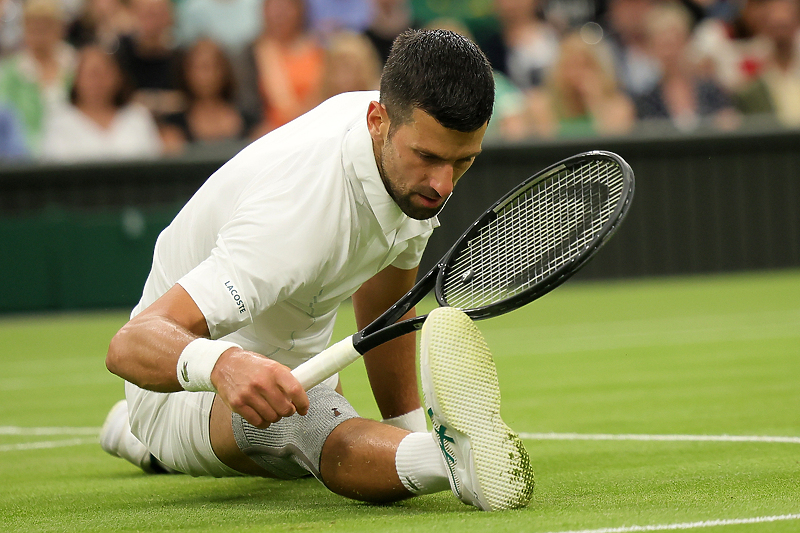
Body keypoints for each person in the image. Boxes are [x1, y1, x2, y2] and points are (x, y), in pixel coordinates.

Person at [99, 28, 534, 512]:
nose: (442, 184)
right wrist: (225, 364)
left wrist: (405, 427)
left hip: (295, 358)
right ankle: (453, 466)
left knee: (320, 426)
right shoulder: (293, 213)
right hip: (179, 389)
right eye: (429, 158)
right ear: (377, 120)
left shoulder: (409, 147)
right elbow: (129, 344)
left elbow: (386, 304)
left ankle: (136, 442)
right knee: (306, 424)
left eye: (463, 162)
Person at [41, 45, 162, 161]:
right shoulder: (59, 119)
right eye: (92, 74)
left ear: (119, 77)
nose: (98, 81)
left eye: (105, 73)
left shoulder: (138, 116)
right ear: (76, 78)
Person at [635, 2, 737, 132]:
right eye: (663, 45)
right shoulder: (646, 100)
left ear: (687, 40)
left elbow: (730, 124)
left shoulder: (712, 90)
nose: (670, 51)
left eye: (674, 42)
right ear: (651, 48)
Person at [0, 0, 76, 156]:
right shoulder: (8, 73)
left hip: (75, 147)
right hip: (26, 155)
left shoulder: (76, 65)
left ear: (59, 29)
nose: (39, 35)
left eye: (45, 28)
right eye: (33, 28)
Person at [526, 31, 635, 137]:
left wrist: (595, 103)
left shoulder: (619, 105)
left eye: (585, 66)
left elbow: (615, 146)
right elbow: (545, 145)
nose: (577, 74)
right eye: (569, 66)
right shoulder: (540, 103)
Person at [160, 38, 256, 153]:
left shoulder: (251, 123)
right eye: (198, 68)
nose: (205, 76)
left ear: (225, 70)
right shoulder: (173, 128)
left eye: (212, 66)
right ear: (185, 72)